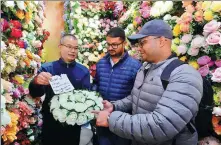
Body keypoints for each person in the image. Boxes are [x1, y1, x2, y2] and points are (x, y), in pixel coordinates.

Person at [93, 19, 203, 145]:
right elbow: (135, 98)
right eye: (138, 44)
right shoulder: (145, 68)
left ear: (162, 41)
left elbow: (161, 125)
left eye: (143, 42)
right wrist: (114, 106)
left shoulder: (184, 75)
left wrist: (110, 119)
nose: (139, 48)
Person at [29, 34, 91, 145]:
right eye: (69, 46)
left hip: (72, 125)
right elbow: (35, 93)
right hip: (51, 123)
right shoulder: (47, 68)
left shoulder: (83, 71)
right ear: (60, 47)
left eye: (76, 48)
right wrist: (36, 81)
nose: (73, 50)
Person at [92, 27, 142, 145]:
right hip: (102, 118)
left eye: (114, 45)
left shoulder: (135, 66)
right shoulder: (101, 63)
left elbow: (136, 95)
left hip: (123, 120)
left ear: (124, 43)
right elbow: (96, 84)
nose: (110, 48)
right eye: (108, 44)